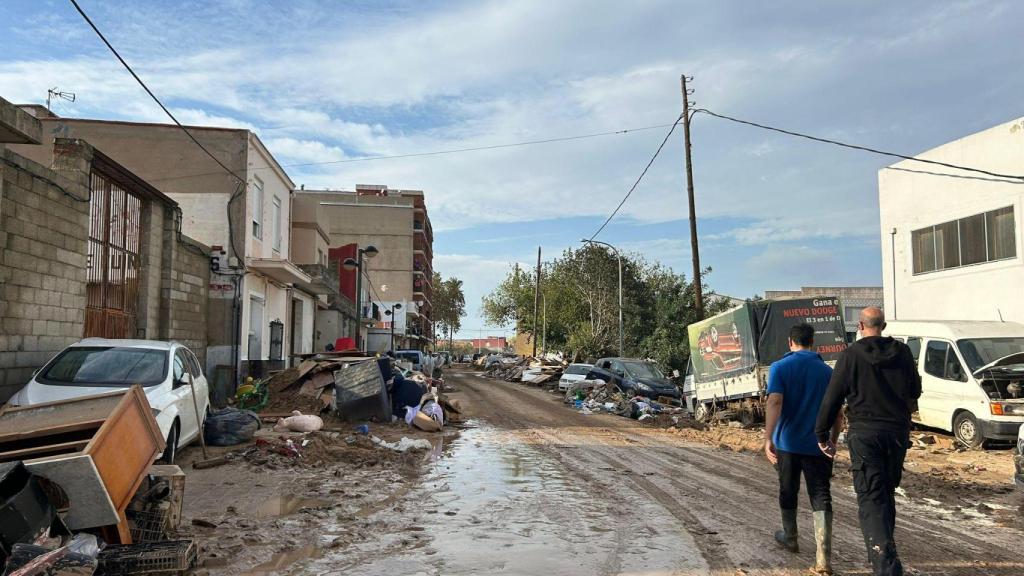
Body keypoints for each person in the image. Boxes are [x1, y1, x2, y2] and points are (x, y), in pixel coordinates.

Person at [815, 307, 921, 576]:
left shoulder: (851, 355)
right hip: (896, 434)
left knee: (872, 498)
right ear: (883, 325)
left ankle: (886, 567)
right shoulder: (904, 352)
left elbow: (833, 396)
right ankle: (884, 555)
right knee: (885, 493)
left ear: (861, 325)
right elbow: (915, 391)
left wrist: (821, 432)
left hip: (865, 435)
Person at [764, 323, 841, 575]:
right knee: (821, 494)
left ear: (790, 342)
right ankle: (823, 557)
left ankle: (791, 536)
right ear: (812, 342)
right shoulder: (827, 372)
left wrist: (768, 437)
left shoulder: (779, 367)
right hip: (818, 445)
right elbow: (838, 413)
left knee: (788, 489)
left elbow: (775, 401)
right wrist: (833, 440)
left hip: (786, 443)